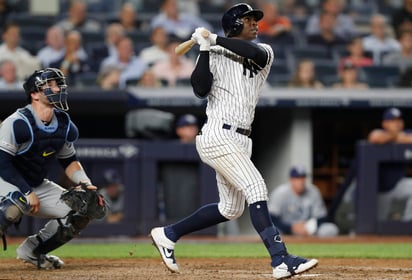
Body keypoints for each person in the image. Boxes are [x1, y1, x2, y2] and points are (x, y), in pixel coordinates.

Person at [149, 3, 318, 279]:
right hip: (217, 134)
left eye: (255, 19)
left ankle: (168, 234)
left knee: (230, 209)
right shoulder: (212, 53)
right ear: (235, 23)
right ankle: (281, 260)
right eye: (249, 19)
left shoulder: (264, 51)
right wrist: (204, 49)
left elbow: (252, 53)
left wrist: (213, 38)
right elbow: (200, 89)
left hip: (241, 139)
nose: (255, 24)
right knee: (255, 187)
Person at [0, 67, 104, 268]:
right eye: (49, 85)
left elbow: (69, 160)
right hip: (5, 180)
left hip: (34, 183)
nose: (56, 89)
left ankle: (32, 251)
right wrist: (27, 191)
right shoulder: (17, 123)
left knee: (82, 208)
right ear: (34, 94)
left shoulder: (63, 123)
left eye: (58, 84)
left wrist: (85, 182)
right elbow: (2, 163)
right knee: (13, 207)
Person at [329, 107, 412, 233]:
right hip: (374, 193)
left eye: (399, 120)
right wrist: (396, 137)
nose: (397, 123)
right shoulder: (379, 133)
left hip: (396, 187)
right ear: (385, 123)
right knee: (372, 232)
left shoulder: (407, 132)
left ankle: (409, 224)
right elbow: (375, 137)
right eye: (393, 120)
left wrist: (394, 137)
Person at [268, 165, 339, 237]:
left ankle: (318, 247)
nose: (301, 181)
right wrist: (291, 228)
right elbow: (271, 217)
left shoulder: (313, 191)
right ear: (291, 180)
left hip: (308, 229)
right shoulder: (280, 193)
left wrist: (308, 227)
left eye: (303, 178)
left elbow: (322, 217)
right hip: (286, 229)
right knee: (272, 231)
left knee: (331, 229)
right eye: (297, 178)